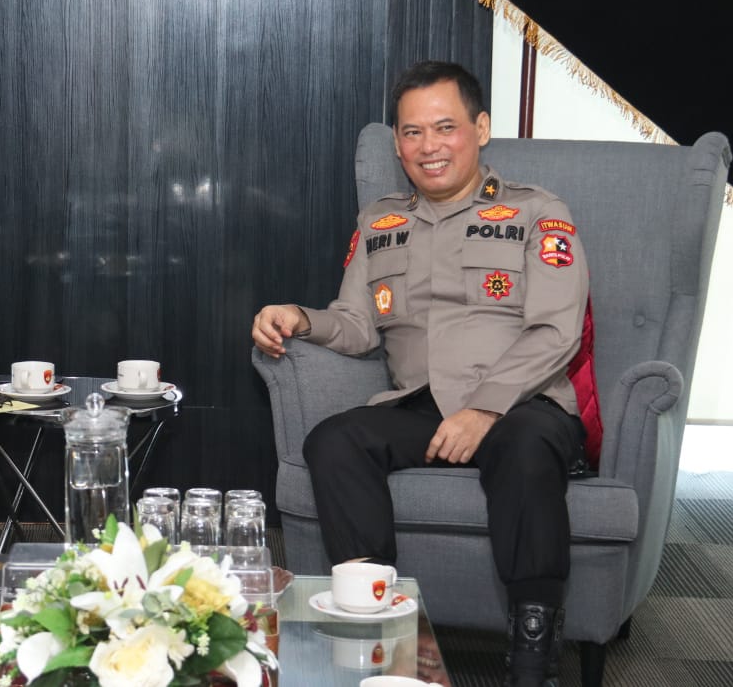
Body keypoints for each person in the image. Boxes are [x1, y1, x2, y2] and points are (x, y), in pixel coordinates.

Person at [252, 61, 588, 687]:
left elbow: (556, 330)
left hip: (524, 405)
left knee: (523, 448)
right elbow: (357, 325)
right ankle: (375, 633)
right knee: (334, 440)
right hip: (423, 406)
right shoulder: (381, 222)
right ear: (398, 144)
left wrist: (484, 409)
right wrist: (301, 318)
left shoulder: (537, 212)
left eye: (445, 127)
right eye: (412, 132)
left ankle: (532, 663)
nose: (429, 146)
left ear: (480, 129)